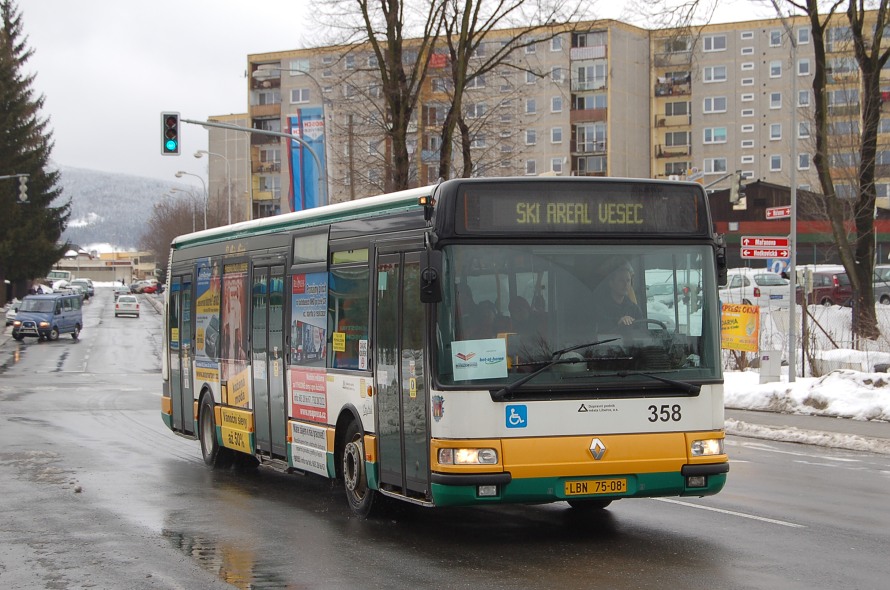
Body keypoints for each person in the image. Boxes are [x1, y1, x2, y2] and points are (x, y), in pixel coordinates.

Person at [597, 260, 642, 330]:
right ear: (611, 283)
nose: (625, 284)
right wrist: (618, 322)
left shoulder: (634, 309)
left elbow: (642, 333)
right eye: (621, 280)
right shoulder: (600, 308)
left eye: (628, 280)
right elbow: (599, 331)